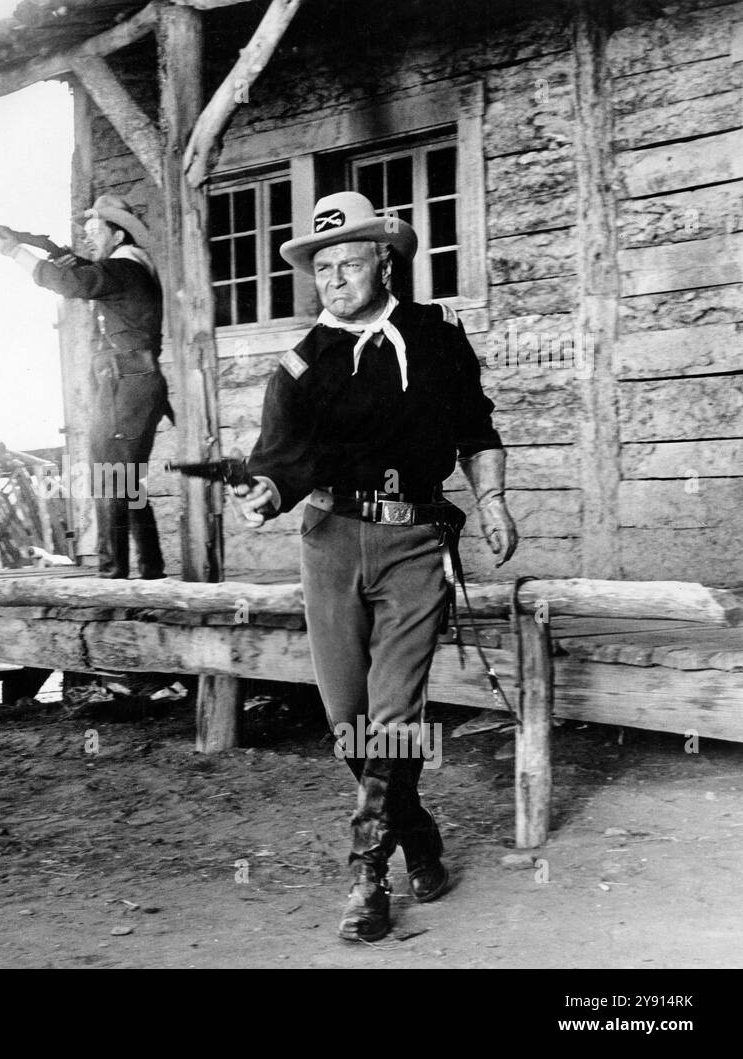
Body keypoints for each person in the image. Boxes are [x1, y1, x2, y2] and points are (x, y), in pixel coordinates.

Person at [236, 191, 518, 943]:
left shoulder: (435, 336)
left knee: (394, 712)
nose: (332, 279)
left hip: (415, 541)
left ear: (384, 262)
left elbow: (476, 427)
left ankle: (366, 874)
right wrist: (261, 494)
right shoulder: (300, 364)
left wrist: (491, 500)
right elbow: (278, 464)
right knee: (349, 722)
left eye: (347, 264)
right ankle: (418, 832)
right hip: (329, 542)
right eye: (321, 268)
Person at [0, 193, 171, 579]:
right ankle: (149, 571)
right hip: (131, 382)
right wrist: (54, 252)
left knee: (109, 477)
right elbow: (86, 272)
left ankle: (113, 574)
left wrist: (17, 253)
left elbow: (74, 282)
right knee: (126, 480)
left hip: (126, 383)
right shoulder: (129, 268)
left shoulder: (122, 269)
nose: (89, 239)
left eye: (96, 231)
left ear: (119, 235)